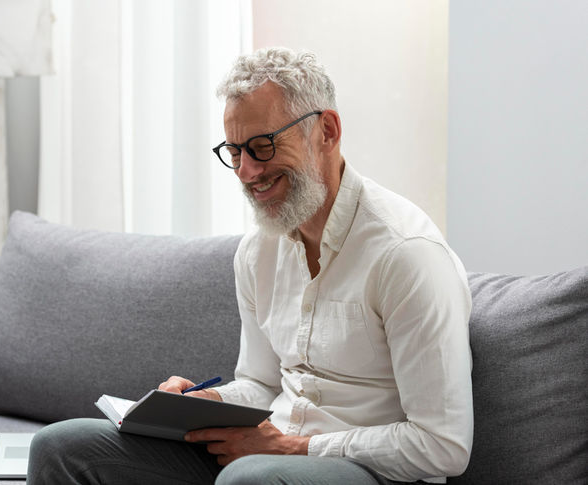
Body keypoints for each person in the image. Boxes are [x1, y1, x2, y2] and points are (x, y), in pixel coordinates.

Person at [27, 47, 473, 485]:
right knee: (62, 446)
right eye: (235, 151)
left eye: (261, 146)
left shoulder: (405, 255)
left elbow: (442, 445)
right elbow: (261, 385)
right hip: (260, 459)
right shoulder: (260, 251)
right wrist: (206, 401)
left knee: (249, 478)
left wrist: (291, 448)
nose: (245, 171)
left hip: (361, 470)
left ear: (327, 131)